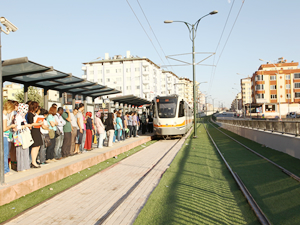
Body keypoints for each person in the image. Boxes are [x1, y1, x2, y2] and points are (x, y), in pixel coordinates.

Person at [14, 103, 32, 172]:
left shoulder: (22, 116)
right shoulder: (18, 116)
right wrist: (26, 126)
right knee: (20, 151)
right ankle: (21, 167)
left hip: (24, 135)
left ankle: (25, 165)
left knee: (25, 150)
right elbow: (17, 127)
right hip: (19, 135)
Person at [27, 102, 44, 168]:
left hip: (37, 130)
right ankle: (33, 161)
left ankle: (34, 160)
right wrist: (39, 123)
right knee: (35, 146)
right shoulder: (30, 114)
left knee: (38, 146)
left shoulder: (34, 114)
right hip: (33, 131)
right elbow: (31, 123)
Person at [3, 101, 17, 176]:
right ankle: (6, 170)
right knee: (5, 153)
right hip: (4, 136)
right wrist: (11, 126)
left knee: (5, 153)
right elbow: (4, 128)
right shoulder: (4, 116)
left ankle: (6, 169)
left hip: (5, 135)